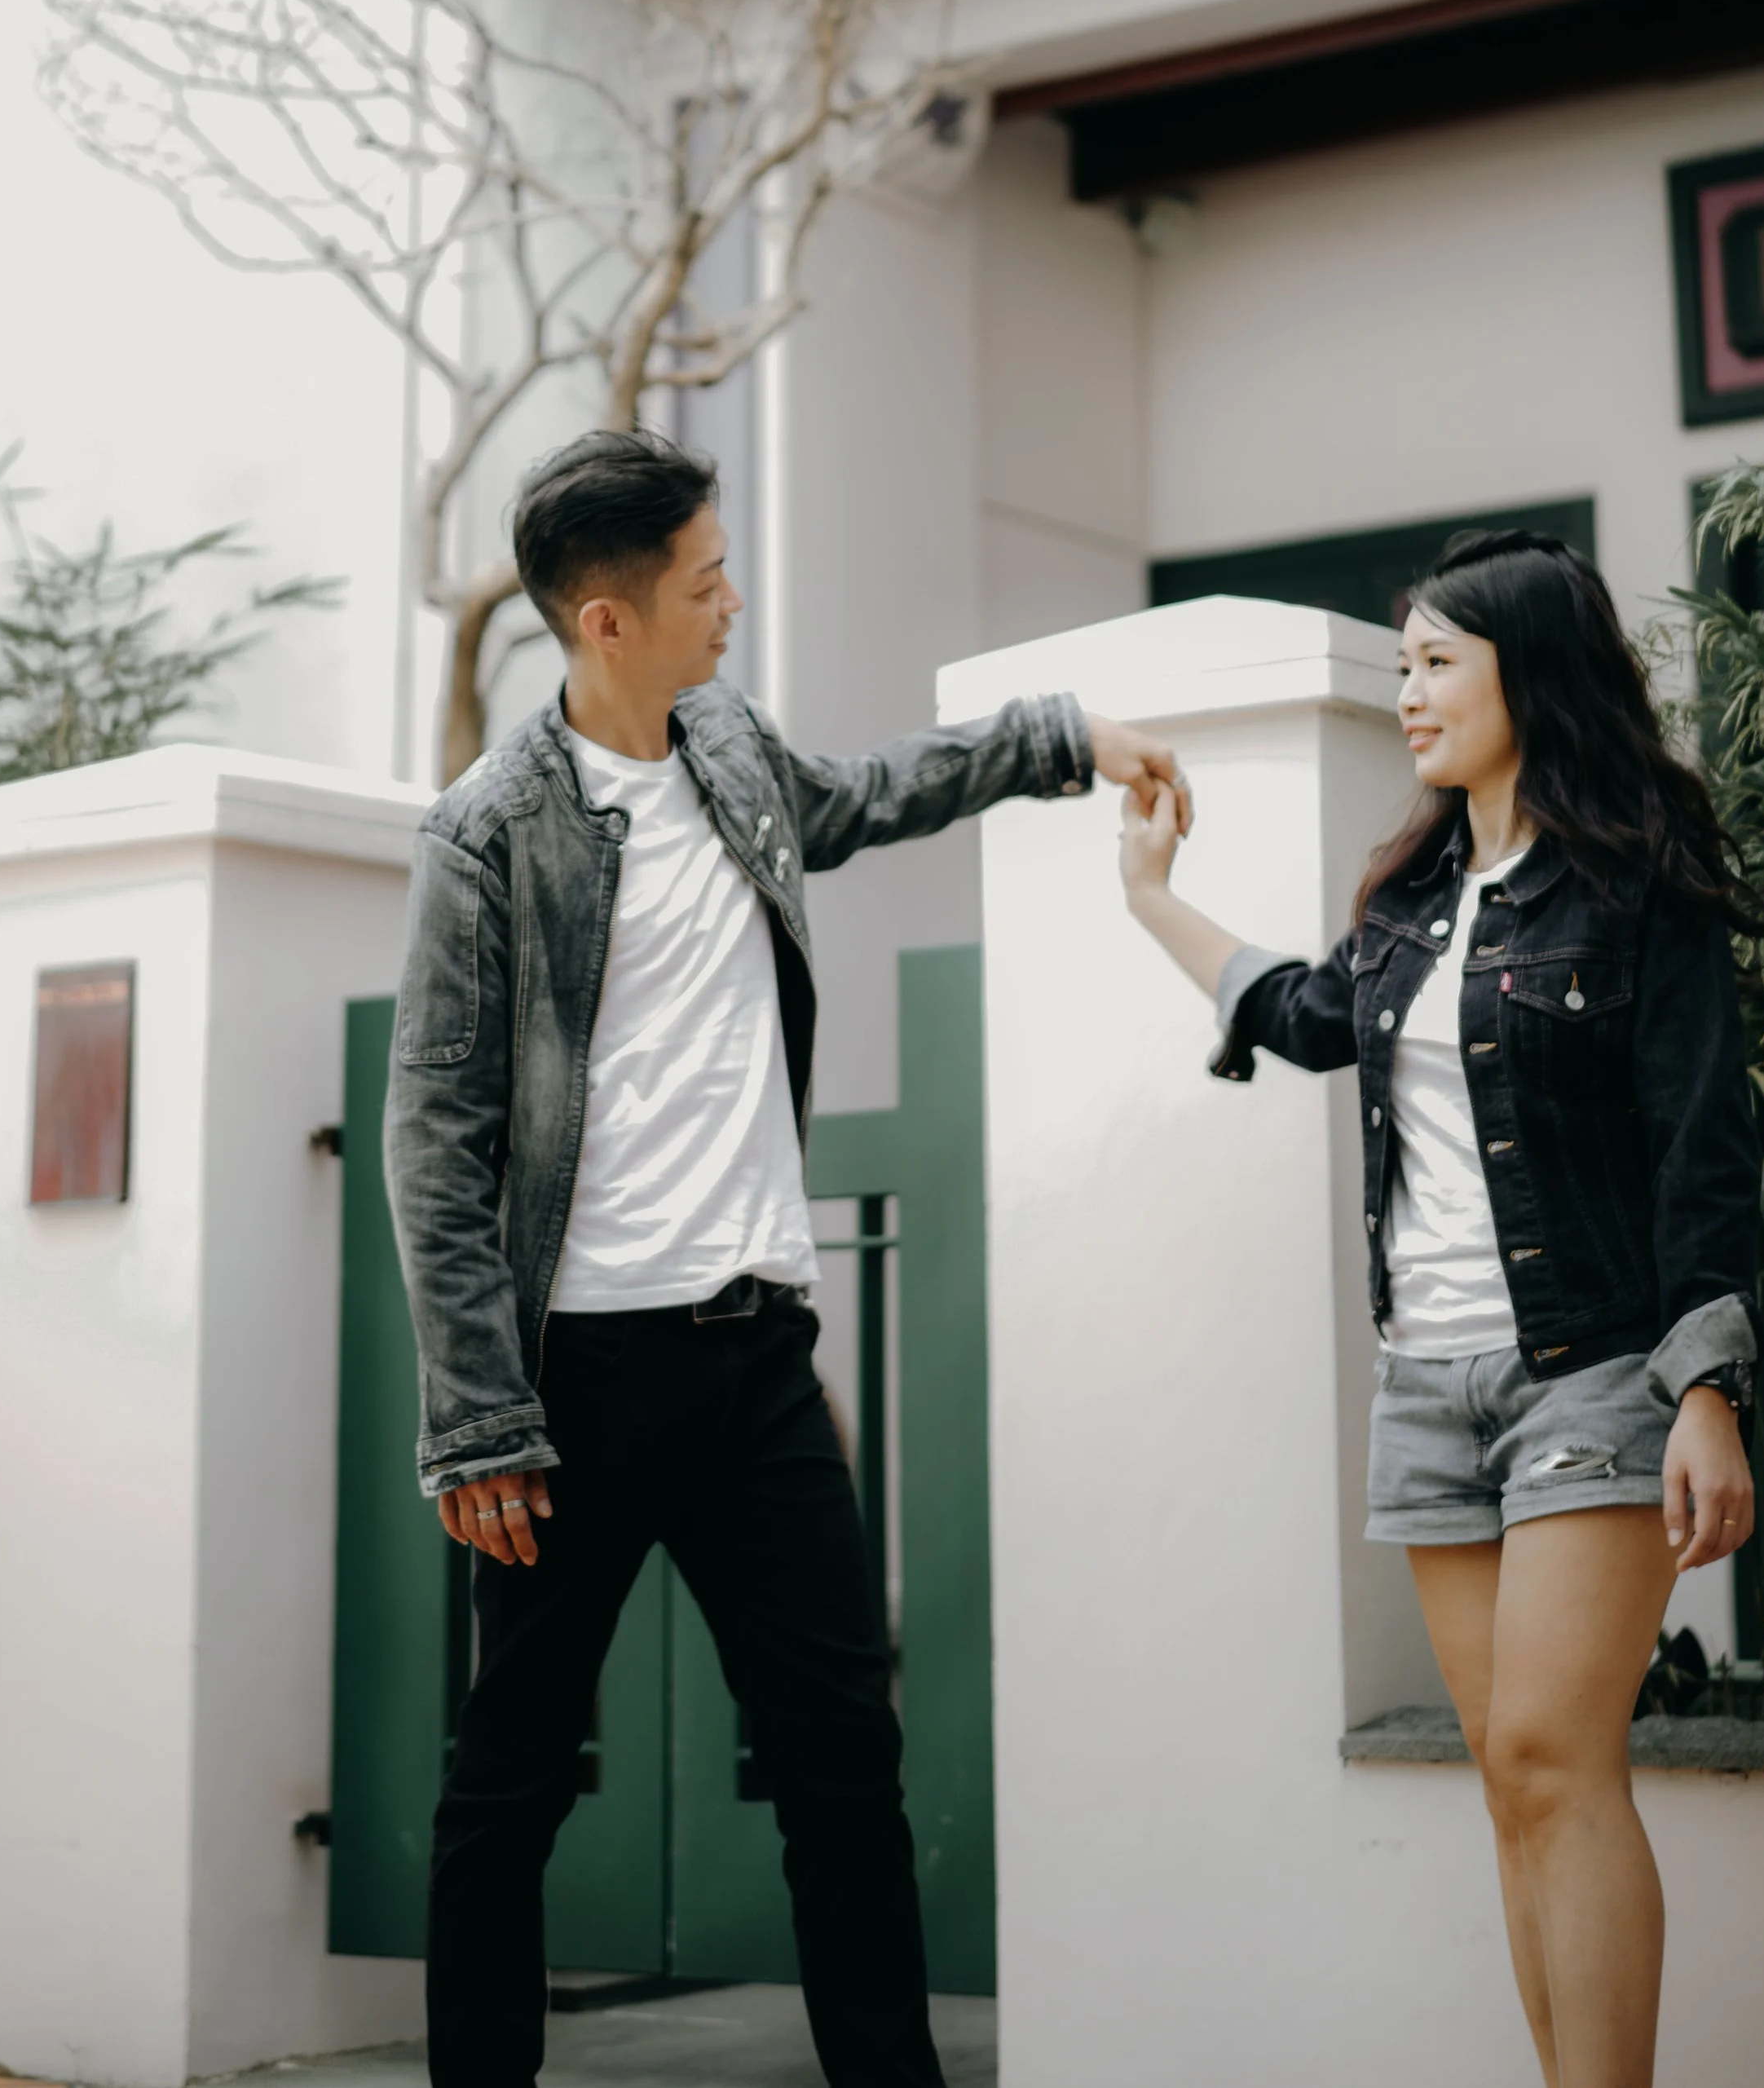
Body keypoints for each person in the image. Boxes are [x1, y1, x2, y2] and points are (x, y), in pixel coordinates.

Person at [386, 425, 1181, 2088]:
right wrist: (474, 1421)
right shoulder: (488, 833)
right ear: (606, 620)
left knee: (842, 1760)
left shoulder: (731, 745)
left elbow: (868, 792)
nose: (731, 599)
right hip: (569, 1391)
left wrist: (1056, 737)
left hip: (751, 1362)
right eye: (702, 578)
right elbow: (433, 1140)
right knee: (507, 1780)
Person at [1118, 529, 1762, 2088]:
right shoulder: (1409, 899)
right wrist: (1156, 901)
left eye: (1433, 665)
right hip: (1429, 1384)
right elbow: (1304, 1014)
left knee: (1557, 1753)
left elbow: (1701, 1141)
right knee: (1508, 1780)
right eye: (1401, 666)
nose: (1407, 695)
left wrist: (1708, 1387)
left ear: (1523, 675)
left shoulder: (1634, 882)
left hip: (1593, 1369)